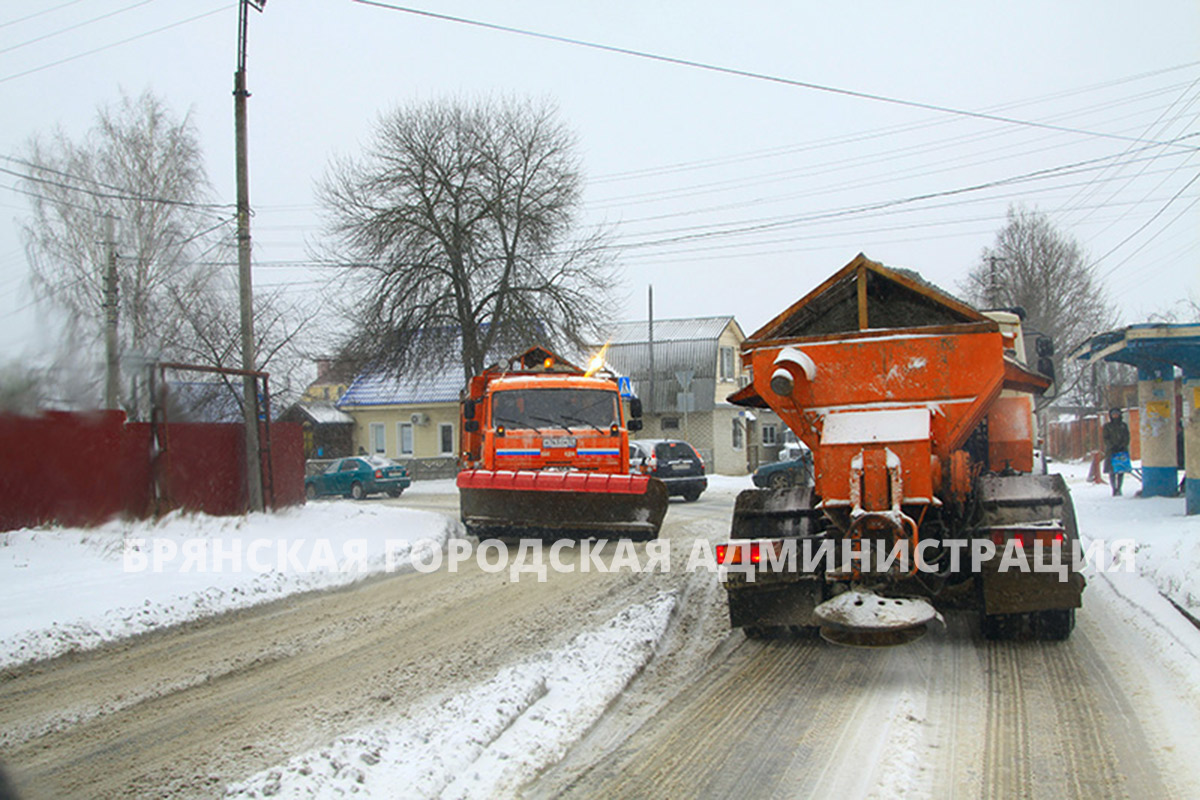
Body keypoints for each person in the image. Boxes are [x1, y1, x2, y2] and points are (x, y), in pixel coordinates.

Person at [1102, 408, 1130, 496]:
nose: (1115, 416)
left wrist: (1123, 445)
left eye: (1116, 414)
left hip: (1122, 450)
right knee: (1112, 471)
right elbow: (1105, 438)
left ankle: (1119, 488)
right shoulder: (1107, 426)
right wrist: (1112, 445)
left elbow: (1127, 436)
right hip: (1111, 451)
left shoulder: (1123, 426)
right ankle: (1114, 488)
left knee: (1121, 470)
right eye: (1113, 414)